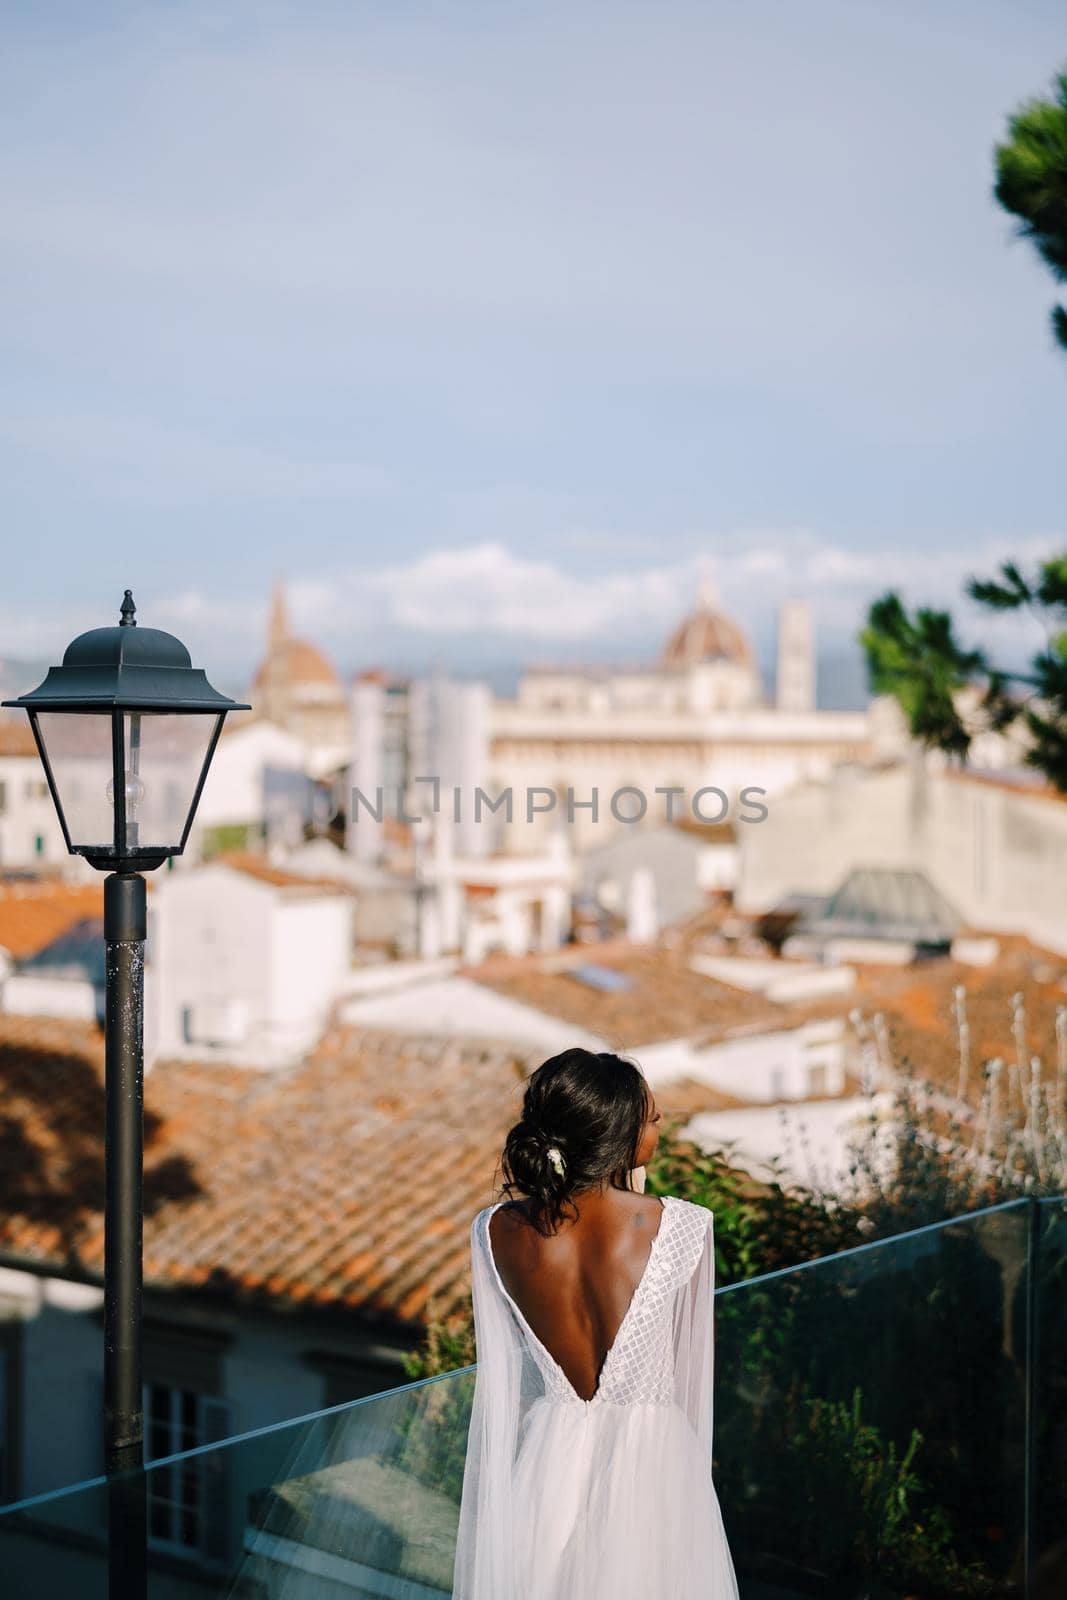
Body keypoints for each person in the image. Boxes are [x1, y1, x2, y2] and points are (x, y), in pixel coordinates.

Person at [452, 1047, 739, 1600]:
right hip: (652, 1458)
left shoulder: (494, 1230)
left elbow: (508, 1379)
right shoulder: (682, 1225)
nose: (660, 1127)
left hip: (547, 1459)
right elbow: (687, 1376)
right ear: (620, 1131)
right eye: (653, 1118)